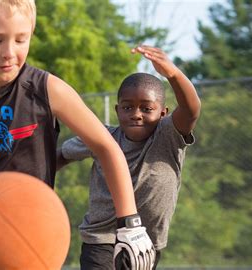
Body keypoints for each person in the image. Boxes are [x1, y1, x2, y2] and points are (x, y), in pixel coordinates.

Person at [0, 1, 154, 269]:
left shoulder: (46, 89)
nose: (9, 52)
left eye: (21, 39)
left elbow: (106, 147)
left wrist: (129, 222)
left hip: (33, 237)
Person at [57, 45, 201, 270]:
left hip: (147, 243)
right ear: (117, 110)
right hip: (102, 239)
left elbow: (191, 110)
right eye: (128, 107)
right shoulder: (102, 137)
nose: (136, 114)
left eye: (146, 108)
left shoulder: (168, 136)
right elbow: (61, 156)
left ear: (163, 113)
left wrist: (173, 74)